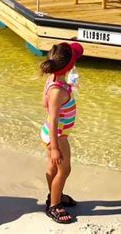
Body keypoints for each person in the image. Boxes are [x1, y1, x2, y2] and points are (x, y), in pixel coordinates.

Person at [40, 41, 84, 224]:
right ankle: (54, 206)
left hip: (50, 134)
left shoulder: (54, 80)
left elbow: (46, 102)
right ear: (70, 65)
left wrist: (71, 86)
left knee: (53, 168)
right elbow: (54, 119)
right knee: (64, 170)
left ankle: (54, 195)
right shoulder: (57, 92)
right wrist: (56, 147)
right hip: (57, 136)